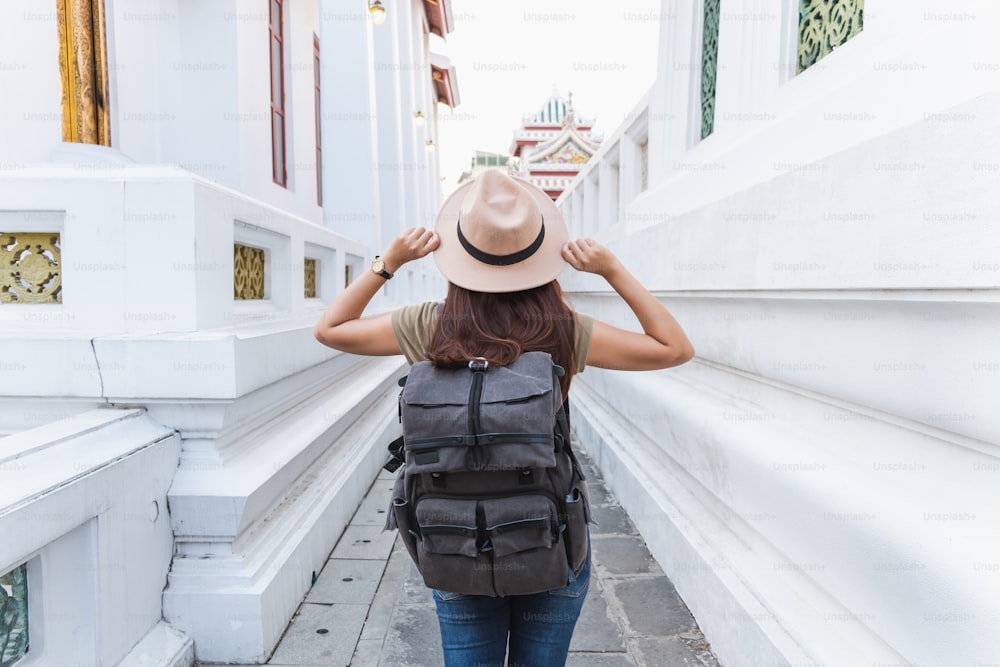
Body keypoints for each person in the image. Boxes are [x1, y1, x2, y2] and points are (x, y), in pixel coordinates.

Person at [314, 171, 694, 666]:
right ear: (538, 253)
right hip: (548, 536)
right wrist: (612, 269)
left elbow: (330, 329)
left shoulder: (428, 327)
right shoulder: (562, 329)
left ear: (459, 255)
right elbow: (674, 348)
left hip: (452, 540)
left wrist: (390, 262)